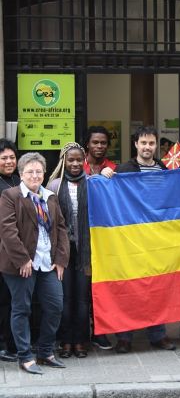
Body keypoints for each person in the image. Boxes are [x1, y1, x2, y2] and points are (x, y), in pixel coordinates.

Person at [0, 152, 69, 374]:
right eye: (30, 171)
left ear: (44, 173)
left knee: (55, 306)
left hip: (47, 262)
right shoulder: (10, 196)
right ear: (21, 174)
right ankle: (25, 356)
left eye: (39, 171)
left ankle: (45, 351)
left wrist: (60, 259)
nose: (35, 175)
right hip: (20, 264)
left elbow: (60, 228)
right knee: (22, 309)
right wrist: (22, 259)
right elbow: (7, 231)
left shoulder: (50, 196)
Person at [108, 126, 176, 353]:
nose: (147, 147)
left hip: (157, 239)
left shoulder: (166, 168)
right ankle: (124, 338)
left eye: (151, 143)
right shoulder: (124, 169)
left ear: (156, 145)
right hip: (131, 239)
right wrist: (105, 178)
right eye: (143, 143)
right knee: (129, 287)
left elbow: (174, 197)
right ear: (135, 144)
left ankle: (158, 335)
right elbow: (112, 198)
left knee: (157, 287)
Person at [47, 143, 91, 359]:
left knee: (83, 299)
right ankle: (65, 341)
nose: (75, 164)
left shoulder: (92, 183)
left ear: (84, 160)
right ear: (63, 161)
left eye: (78, 160)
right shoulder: (54, 186)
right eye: (70, 160)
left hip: (86, 251)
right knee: (64, 298)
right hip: (62, 251)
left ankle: (81, 341)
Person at [83, 126, 116, 350]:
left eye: (103, 142)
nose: (99, 146)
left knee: (101, 284)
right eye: (95, 142)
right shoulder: (75, 163)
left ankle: (99, 330)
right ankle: (80, 332)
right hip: (81, 235)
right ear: (87, 144)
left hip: (105, 236)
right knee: (81, 286)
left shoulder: (114, 168)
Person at [0, 138, 19, 362]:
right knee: (4, 300)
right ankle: (4, 344)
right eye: (4, 158)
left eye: (12, 157)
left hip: (16, 251)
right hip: (3, 251)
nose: (8, 161)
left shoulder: (18, 179)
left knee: (15, 300)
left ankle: (14, 343)